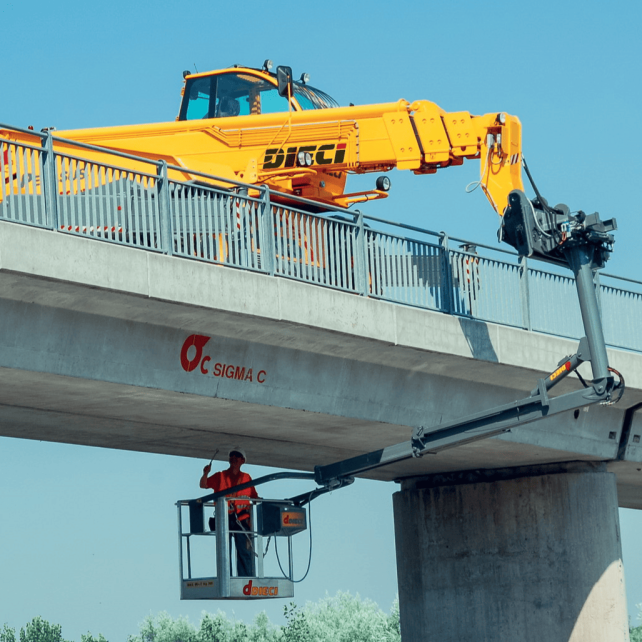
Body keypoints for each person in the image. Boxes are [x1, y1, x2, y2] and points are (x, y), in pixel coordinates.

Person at [200, 448, 258, 576]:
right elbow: (203, 485)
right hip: (224, 518)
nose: (234, 458)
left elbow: (255, 497)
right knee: (224, 553)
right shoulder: (220, 476)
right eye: (232, 456)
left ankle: (245, 579)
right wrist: (205, 473)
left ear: (243, 460)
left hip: (242, 520)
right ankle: (226, 578)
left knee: (244, 551)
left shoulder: (247, 478)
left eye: (237, 456)